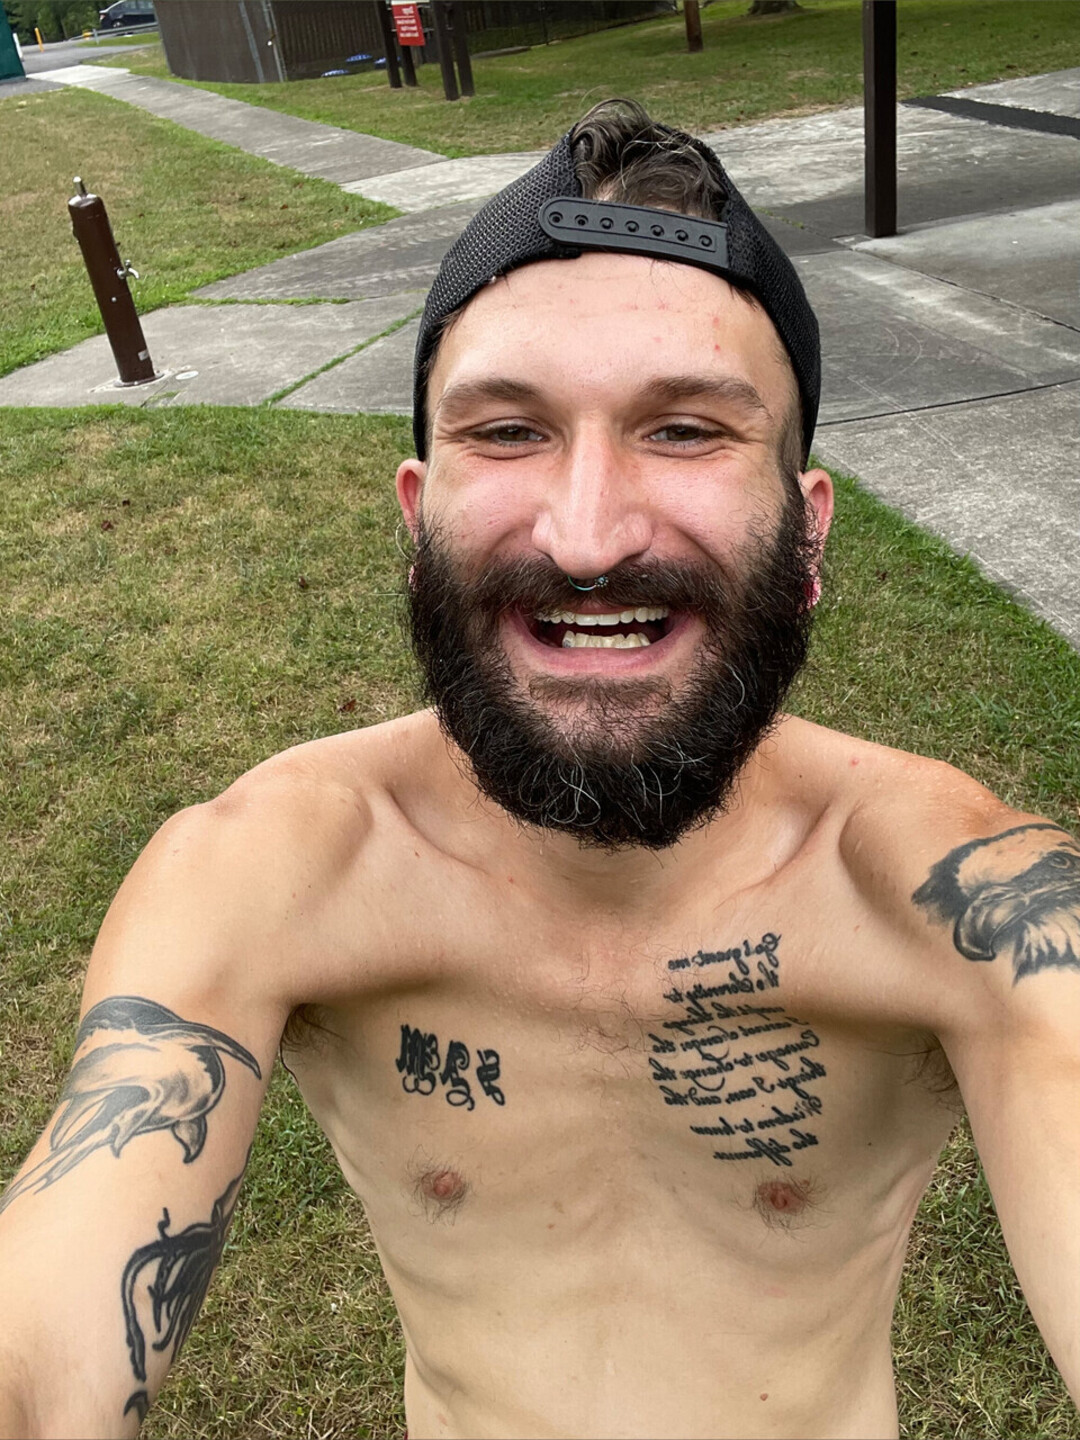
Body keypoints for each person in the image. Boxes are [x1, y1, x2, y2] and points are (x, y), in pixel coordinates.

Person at [1, 99, 1078, 1440]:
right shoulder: (271, 873)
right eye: (508, 431)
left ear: (806, 539)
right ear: (417, 522)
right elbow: (44, 1336)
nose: (585, 536)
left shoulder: (962, 901)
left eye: (686, 429)